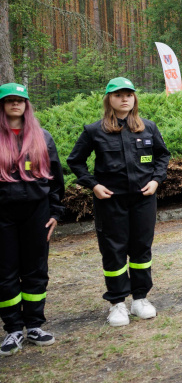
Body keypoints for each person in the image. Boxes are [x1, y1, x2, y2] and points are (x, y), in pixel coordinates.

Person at [67, 77, 170, 327]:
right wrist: (94, 185)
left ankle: (140, 299)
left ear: (134, 99)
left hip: (143, 200)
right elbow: (75, 160)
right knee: (114, 251)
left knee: (141, 249)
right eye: (118, 95)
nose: (124, 99)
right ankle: (117, 303)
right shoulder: (94, 130)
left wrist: (156, 180)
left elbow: (162, 156)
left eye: (129, 94)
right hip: (111, 202)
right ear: (109, 100)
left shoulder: (148, 127)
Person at [0, 84, 63, 356]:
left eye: (21, 100)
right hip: (3, 215)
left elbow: (55, 179)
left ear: (27, 104)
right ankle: (13, 328)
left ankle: (35, 324)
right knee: (5, 273)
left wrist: (55, 212)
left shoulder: (43, 137)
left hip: (36, 213)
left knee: (35, 269)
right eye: (10, 100)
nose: (16, 104)